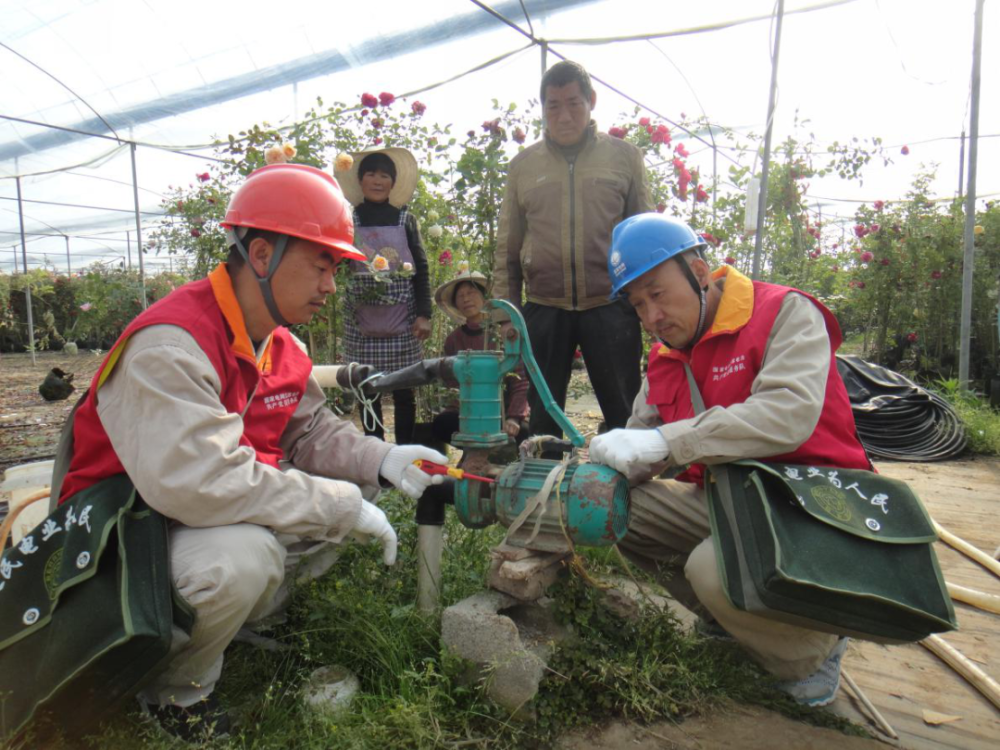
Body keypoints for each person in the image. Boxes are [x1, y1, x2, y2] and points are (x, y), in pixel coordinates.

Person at [56, 163, 447, 741]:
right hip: (119, 538)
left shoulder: (277, 340)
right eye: (321, 264)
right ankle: (171, 692)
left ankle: (214, 626)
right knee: (241, 558)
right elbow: (202, 482)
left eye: (335, 268)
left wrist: (379, 461)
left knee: (347, 489)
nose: (330, 286)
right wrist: (340, 507)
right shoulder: (171, 345)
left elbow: (309, 431)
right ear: (262, 255)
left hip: (179, 519)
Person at [588, 213, 872, 707]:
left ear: (699, 272)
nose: (652, 316)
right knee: (610, 507)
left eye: (658, 293)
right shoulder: (665, 356)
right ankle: (737, 624)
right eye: (638, 305)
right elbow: (641, 439)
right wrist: (602, 462)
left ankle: (810, 649)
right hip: (728, 499)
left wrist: (667, 442)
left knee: (712, 567)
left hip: (814, 502)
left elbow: (788, 414)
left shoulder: (784, 312)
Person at [493, 59, 651, 441]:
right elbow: (508, 245)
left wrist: (646, 304)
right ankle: (545, 491)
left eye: (573, 103)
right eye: (553, 106)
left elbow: (643, 234)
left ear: (591, 101)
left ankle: (631, 493)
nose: (564, 115)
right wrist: (506, 315)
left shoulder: (625, 158)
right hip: (545, 308)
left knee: (626, 410)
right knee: (544, 419)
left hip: (611, 306)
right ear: (543, 108)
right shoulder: (523, 167)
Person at [335, 147, 432, 444]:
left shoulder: (405, 220)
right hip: (360, 320)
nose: (377, 180)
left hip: (403, 319)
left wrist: (424, 314)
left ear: (392, 182)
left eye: (384, 175)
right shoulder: (348, 220)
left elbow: (421, 267)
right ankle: (375, 454)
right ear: (361, 180)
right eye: (371, 174)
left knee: (404, 391)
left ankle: (404, 453)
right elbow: (337, 263)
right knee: (367, 390)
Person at [429, 270, 529, 446]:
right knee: (442, 425)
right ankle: (473, 456)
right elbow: (453, 384)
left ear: (485, 298)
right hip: (468, 412)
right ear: (456, 304)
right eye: (460, 296)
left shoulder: (503, 333)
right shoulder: (454, 340)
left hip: (502, 411)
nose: (466, 299)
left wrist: (514, 418)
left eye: (471, 292)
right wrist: (466, 412)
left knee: (527, 431)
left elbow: (520, 382)